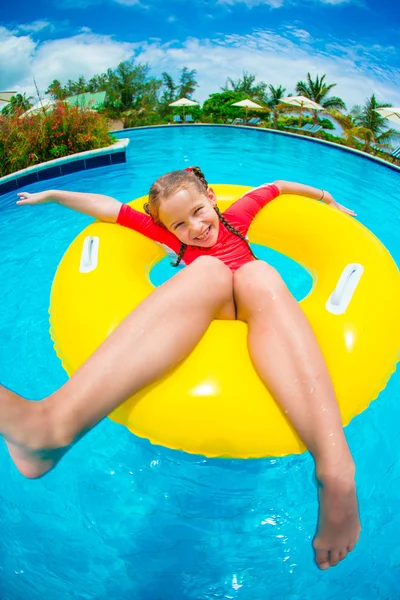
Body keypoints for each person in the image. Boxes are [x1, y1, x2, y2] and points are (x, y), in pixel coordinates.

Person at [1, 167, 360, 570]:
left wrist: (326, 196)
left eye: (199, 212)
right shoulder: (172, 240)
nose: (195, 227)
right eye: (180, 224)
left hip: (263, 310)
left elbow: (278, 186)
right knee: (211, 269)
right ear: (167, 227)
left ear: (212, 197)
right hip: (212, 312)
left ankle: (337, 470)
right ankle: (52, 425)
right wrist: (54, 195)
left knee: (257, 273)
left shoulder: (238, 217)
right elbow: (108, 209)